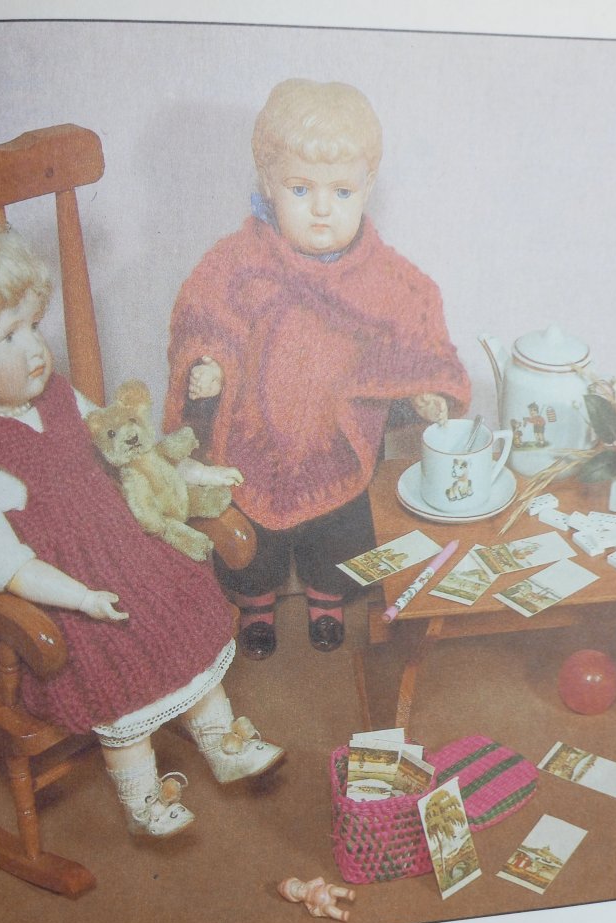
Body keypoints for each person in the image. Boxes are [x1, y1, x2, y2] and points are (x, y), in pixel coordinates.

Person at [0, 227, 284, 840]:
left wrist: (186, 472)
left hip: (127, 552)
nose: (34, 347)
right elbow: (6, 568)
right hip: (55, 599)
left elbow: (127, 448)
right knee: (112, 668)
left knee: (183, 618)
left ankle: (220, 738)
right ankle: (142, 794)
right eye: (8, 336)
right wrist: (81, 598)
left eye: (33, 326)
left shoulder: (58, 396)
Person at [165, 78, 471, 660]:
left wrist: (423, 386)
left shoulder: (387, 277)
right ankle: (256, 604)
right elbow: (205, 314)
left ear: (367, 187)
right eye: (301, 189)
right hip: (255, 430)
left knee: (341, 529)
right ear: (268, 182)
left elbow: (415, 331)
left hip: (340, 436)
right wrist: (210, 363)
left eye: (342, 191)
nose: (323, 209)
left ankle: (327, 598)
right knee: (251, 536)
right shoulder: (237, 261)